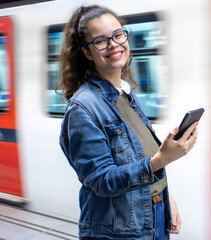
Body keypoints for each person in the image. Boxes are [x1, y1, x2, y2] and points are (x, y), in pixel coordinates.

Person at [56, 5, 199, 240]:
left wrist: (166, 197)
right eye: (100, 41)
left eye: (118, 34)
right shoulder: (82, 108)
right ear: (87, 52)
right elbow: (102, 180)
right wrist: (162, 159)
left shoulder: (126, 94)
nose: (113, 44)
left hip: (154, 214)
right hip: (121, 230)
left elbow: (142, 155)